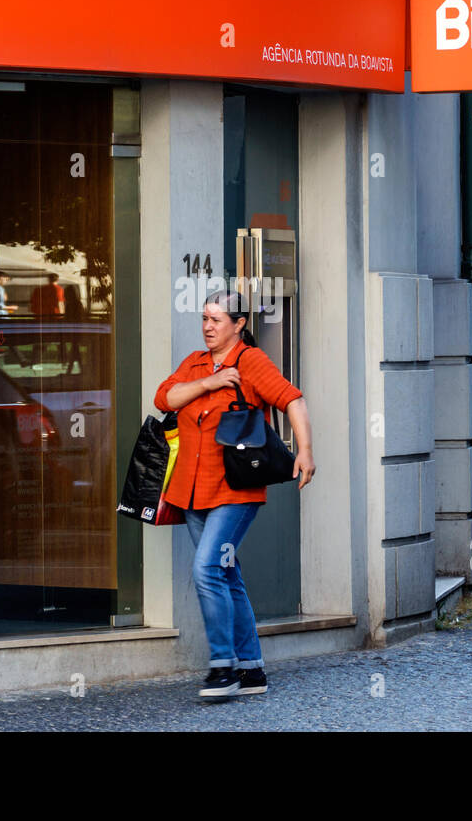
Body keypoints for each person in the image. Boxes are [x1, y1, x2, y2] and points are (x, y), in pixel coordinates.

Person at [154, 290, 315, 700]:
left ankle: (222, 666)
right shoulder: (194, 363)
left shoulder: (251, 361)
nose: (208, 327)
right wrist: (209, 381)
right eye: (204, 319)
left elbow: (292, 399)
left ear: (239, 323)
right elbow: (164, 398)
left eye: (217, 320)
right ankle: (252, 670)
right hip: (190, 491)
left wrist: (306, 452)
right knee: (227, 573)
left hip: (234, 490)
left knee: (207, 568)